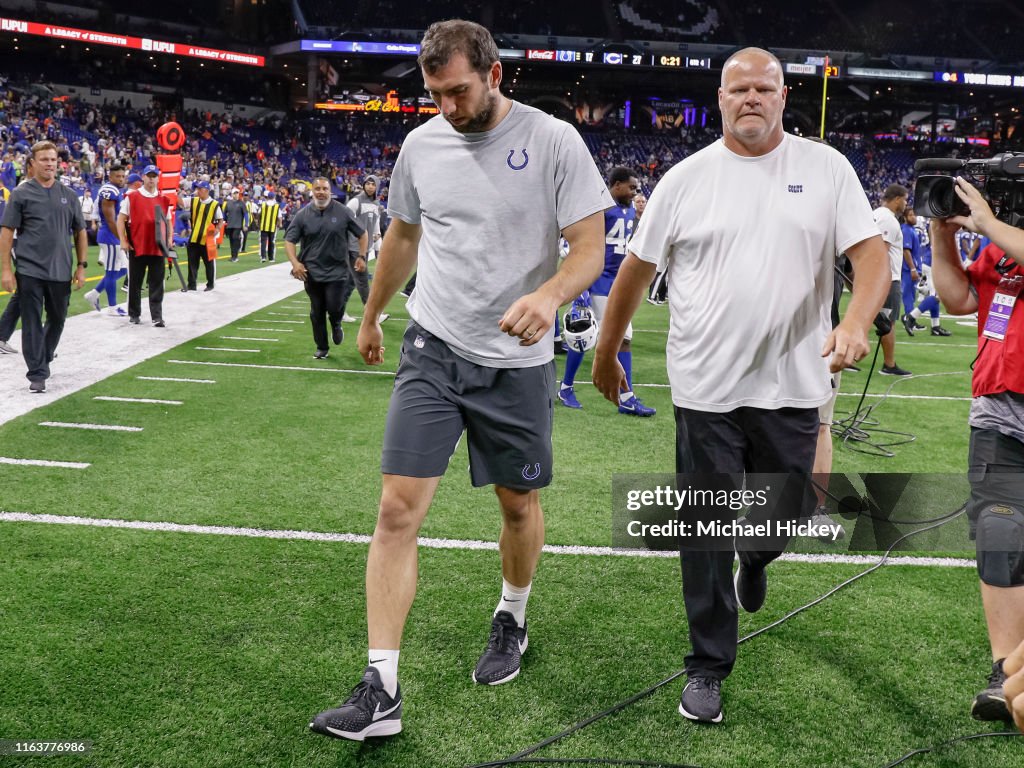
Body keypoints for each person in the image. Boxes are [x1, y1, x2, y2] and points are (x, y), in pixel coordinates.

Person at [308, 18, 610, 742]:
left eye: (459, 91)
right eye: (435, 93)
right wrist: (374, 313)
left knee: (516, 505)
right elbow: (404, 237)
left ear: (496, 74)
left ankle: (512, 614)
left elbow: (590, 249)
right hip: (435, 347)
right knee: (395, 511)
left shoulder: (553, 141)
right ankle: (380, 686)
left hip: (516, 362)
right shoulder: (421, 145)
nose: (447, 106)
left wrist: (549, 296)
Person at [591, 47, 890, 725]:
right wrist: (608, 352)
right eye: (738, 89)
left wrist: (853, 321)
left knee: (781, 511)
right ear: (720, 98)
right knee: (705, 528)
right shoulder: (685, 179)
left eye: (764, 88)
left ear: (784, 97)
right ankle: (707, 665)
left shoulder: (827, 169)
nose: (751, 98)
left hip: (790, 383)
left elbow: (869, 257)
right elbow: (635, 274)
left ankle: (757, 557)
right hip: (704, 389)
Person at [929, 177, 1024, 723]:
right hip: (1000, 415)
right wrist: (944, 239)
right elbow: (961, 297)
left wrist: (987, 222)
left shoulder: (999, 231)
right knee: (1000, 532)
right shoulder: (998, 245)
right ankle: (1007, 673)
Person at [558, 167, 655, 416]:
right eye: (631, 187)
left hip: (617, 282)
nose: (635, 192)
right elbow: (573, 245)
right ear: (617, 185)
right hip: (600, 280)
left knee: (596, 338)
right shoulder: (600, 207)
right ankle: (625, 396)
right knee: (615, 337)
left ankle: (573, 388)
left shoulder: (631, 210)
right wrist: (582, 286)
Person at [0, 140, 88, 393]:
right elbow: (7, 232)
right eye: (44, 159)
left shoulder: (68, 195)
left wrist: (81, 266)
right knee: (30, 321)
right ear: (32, 163)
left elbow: (80, 232)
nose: (49, 164)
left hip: (61, 270)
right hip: (29, 270)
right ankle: (37, 373)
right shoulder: (21, 193)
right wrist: (6, 270)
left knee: (58, 319)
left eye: (52, 160)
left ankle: (44, 357)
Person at [284, 177, 367, 359]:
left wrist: (361, 256)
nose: (321, 192)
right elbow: (289, 240)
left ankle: (336, 323)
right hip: (311, 272)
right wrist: (295, 263)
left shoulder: (343, 212)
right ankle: (322, 347)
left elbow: (362, 233)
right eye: (317, 188)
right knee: (317, 311)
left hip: (337, 271)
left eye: (325, 188)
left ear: (330, 191)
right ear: (312, 191)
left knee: (334, 307)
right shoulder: (302, 214)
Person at [117, 165, 170, 326]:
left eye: (154, 176)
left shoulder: (164, 199)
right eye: (149, 175)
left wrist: (168, 239)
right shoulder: (131, 197)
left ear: (158, 178)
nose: (152, 178)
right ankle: (134, 314)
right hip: (137, 245)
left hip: (157, 246)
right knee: (135, 282)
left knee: (157, 283)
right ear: (143, 178)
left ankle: (157, 316)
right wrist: (123, 240)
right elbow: (121, 219)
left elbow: (168, 221)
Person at [872, 184, 913, 376]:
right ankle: (889, 364)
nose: (906, 203)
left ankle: (849, 357)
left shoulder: (875, 214)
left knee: (873, 319)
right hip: (888, 279)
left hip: (881, 278)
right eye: (905, 199)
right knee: (888, 322)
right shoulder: (887, 219)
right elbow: (880, 252)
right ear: (897, 199)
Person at [84, 163, 127, 315]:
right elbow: (110, 220)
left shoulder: (115, 190)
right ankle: (112, 307)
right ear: (110, 176)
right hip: (109, 235)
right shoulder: (109, 190)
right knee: (111, 271)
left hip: (112, 236)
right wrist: (122, 238)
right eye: (118, 176)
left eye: (123, 176)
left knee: (123, 269)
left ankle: (94, 294)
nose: (121, 179)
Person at [341, 175, 385, 323]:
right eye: (368, 183)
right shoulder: (355, 201)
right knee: (362, 280)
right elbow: (344, 220)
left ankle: (339, 312)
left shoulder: (375, 203)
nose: (370, 186)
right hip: (354, 247)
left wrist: (377, 236)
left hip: (365, 247)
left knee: (351, 281)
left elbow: (376, 222)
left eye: (373, 184)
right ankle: (373, 315)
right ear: (364, 185)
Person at [902, 209, 951, 336]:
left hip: (930, 261)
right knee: (936, 296)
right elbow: (935, 243)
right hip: (932, 262)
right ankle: (911, 318)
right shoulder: (935, 223)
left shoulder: (934, 222)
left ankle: (935, 327)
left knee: (935, 295)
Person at [186, 179, 223, 291]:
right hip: (194, 238)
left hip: (207, 239)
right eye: (197, 189)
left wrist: (217, 229)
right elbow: (181, 202)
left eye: (199, 189)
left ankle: (210, 284)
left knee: (209, 263)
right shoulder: (194, 201)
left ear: (206, 190)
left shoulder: (214, 204)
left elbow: (220, 220)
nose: (197, 191)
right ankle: (192, 285)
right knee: (192, 263)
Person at [223, 188, 247, 262]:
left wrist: (246, 224)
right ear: (232, 194)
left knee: (235, 238)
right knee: (231, 241)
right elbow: (224, 213)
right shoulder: (228, 203)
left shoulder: (241, 203)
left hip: (238, 225)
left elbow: (246, 214)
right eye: (235, 193)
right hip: (230, 224)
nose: (236, 195)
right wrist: (224, 220)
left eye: (237, 193)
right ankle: (233, 256)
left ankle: (235, 256)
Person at [258, 191, 280, 263]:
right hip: (272, 227)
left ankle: (263, 257)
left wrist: (259, 223)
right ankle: (271, 258)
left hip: (263, 226)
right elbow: (279, 217)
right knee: (271, 242)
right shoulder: (276, 206)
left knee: (263, 242)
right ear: (273, 197)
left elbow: (259, 214)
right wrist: (279, 224)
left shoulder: (263, 204)